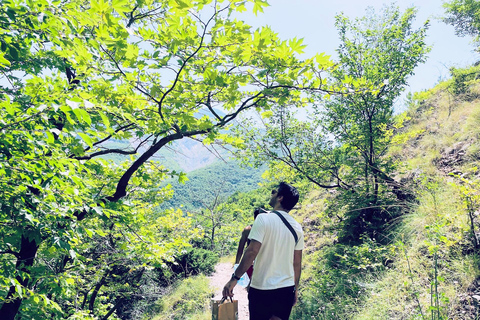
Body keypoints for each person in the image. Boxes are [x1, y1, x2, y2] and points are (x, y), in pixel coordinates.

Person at [223, 182, 304, 320]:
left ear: (280, 198)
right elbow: (297, 263)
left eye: (274, 192)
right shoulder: (297, 227)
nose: (271, 194)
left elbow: (251, 252)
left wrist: (234, 279)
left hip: (262, 289)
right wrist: (295, 289)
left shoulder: (263, 219)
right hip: (286, 290)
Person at [234, 207, 266, 283]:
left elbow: (240, 248)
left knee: (251, 286)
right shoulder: (268, 230)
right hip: (263, 262)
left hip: (249, 261)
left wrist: (237, 263)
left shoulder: (248, 229)